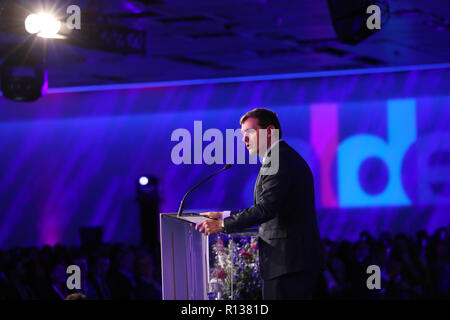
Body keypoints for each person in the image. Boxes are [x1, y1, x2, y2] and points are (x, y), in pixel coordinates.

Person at [196, 108, 325, 300]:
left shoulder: (280, 159)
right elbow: (269, 207)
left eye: (249, 133)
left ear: (270, 131)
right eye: (242, 135)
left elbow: (265, 209)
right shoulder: (279, 158)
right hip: (289, 264)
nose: (244, 140)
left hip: (288, 265)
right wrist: (223, 215)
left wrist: (222, 225)